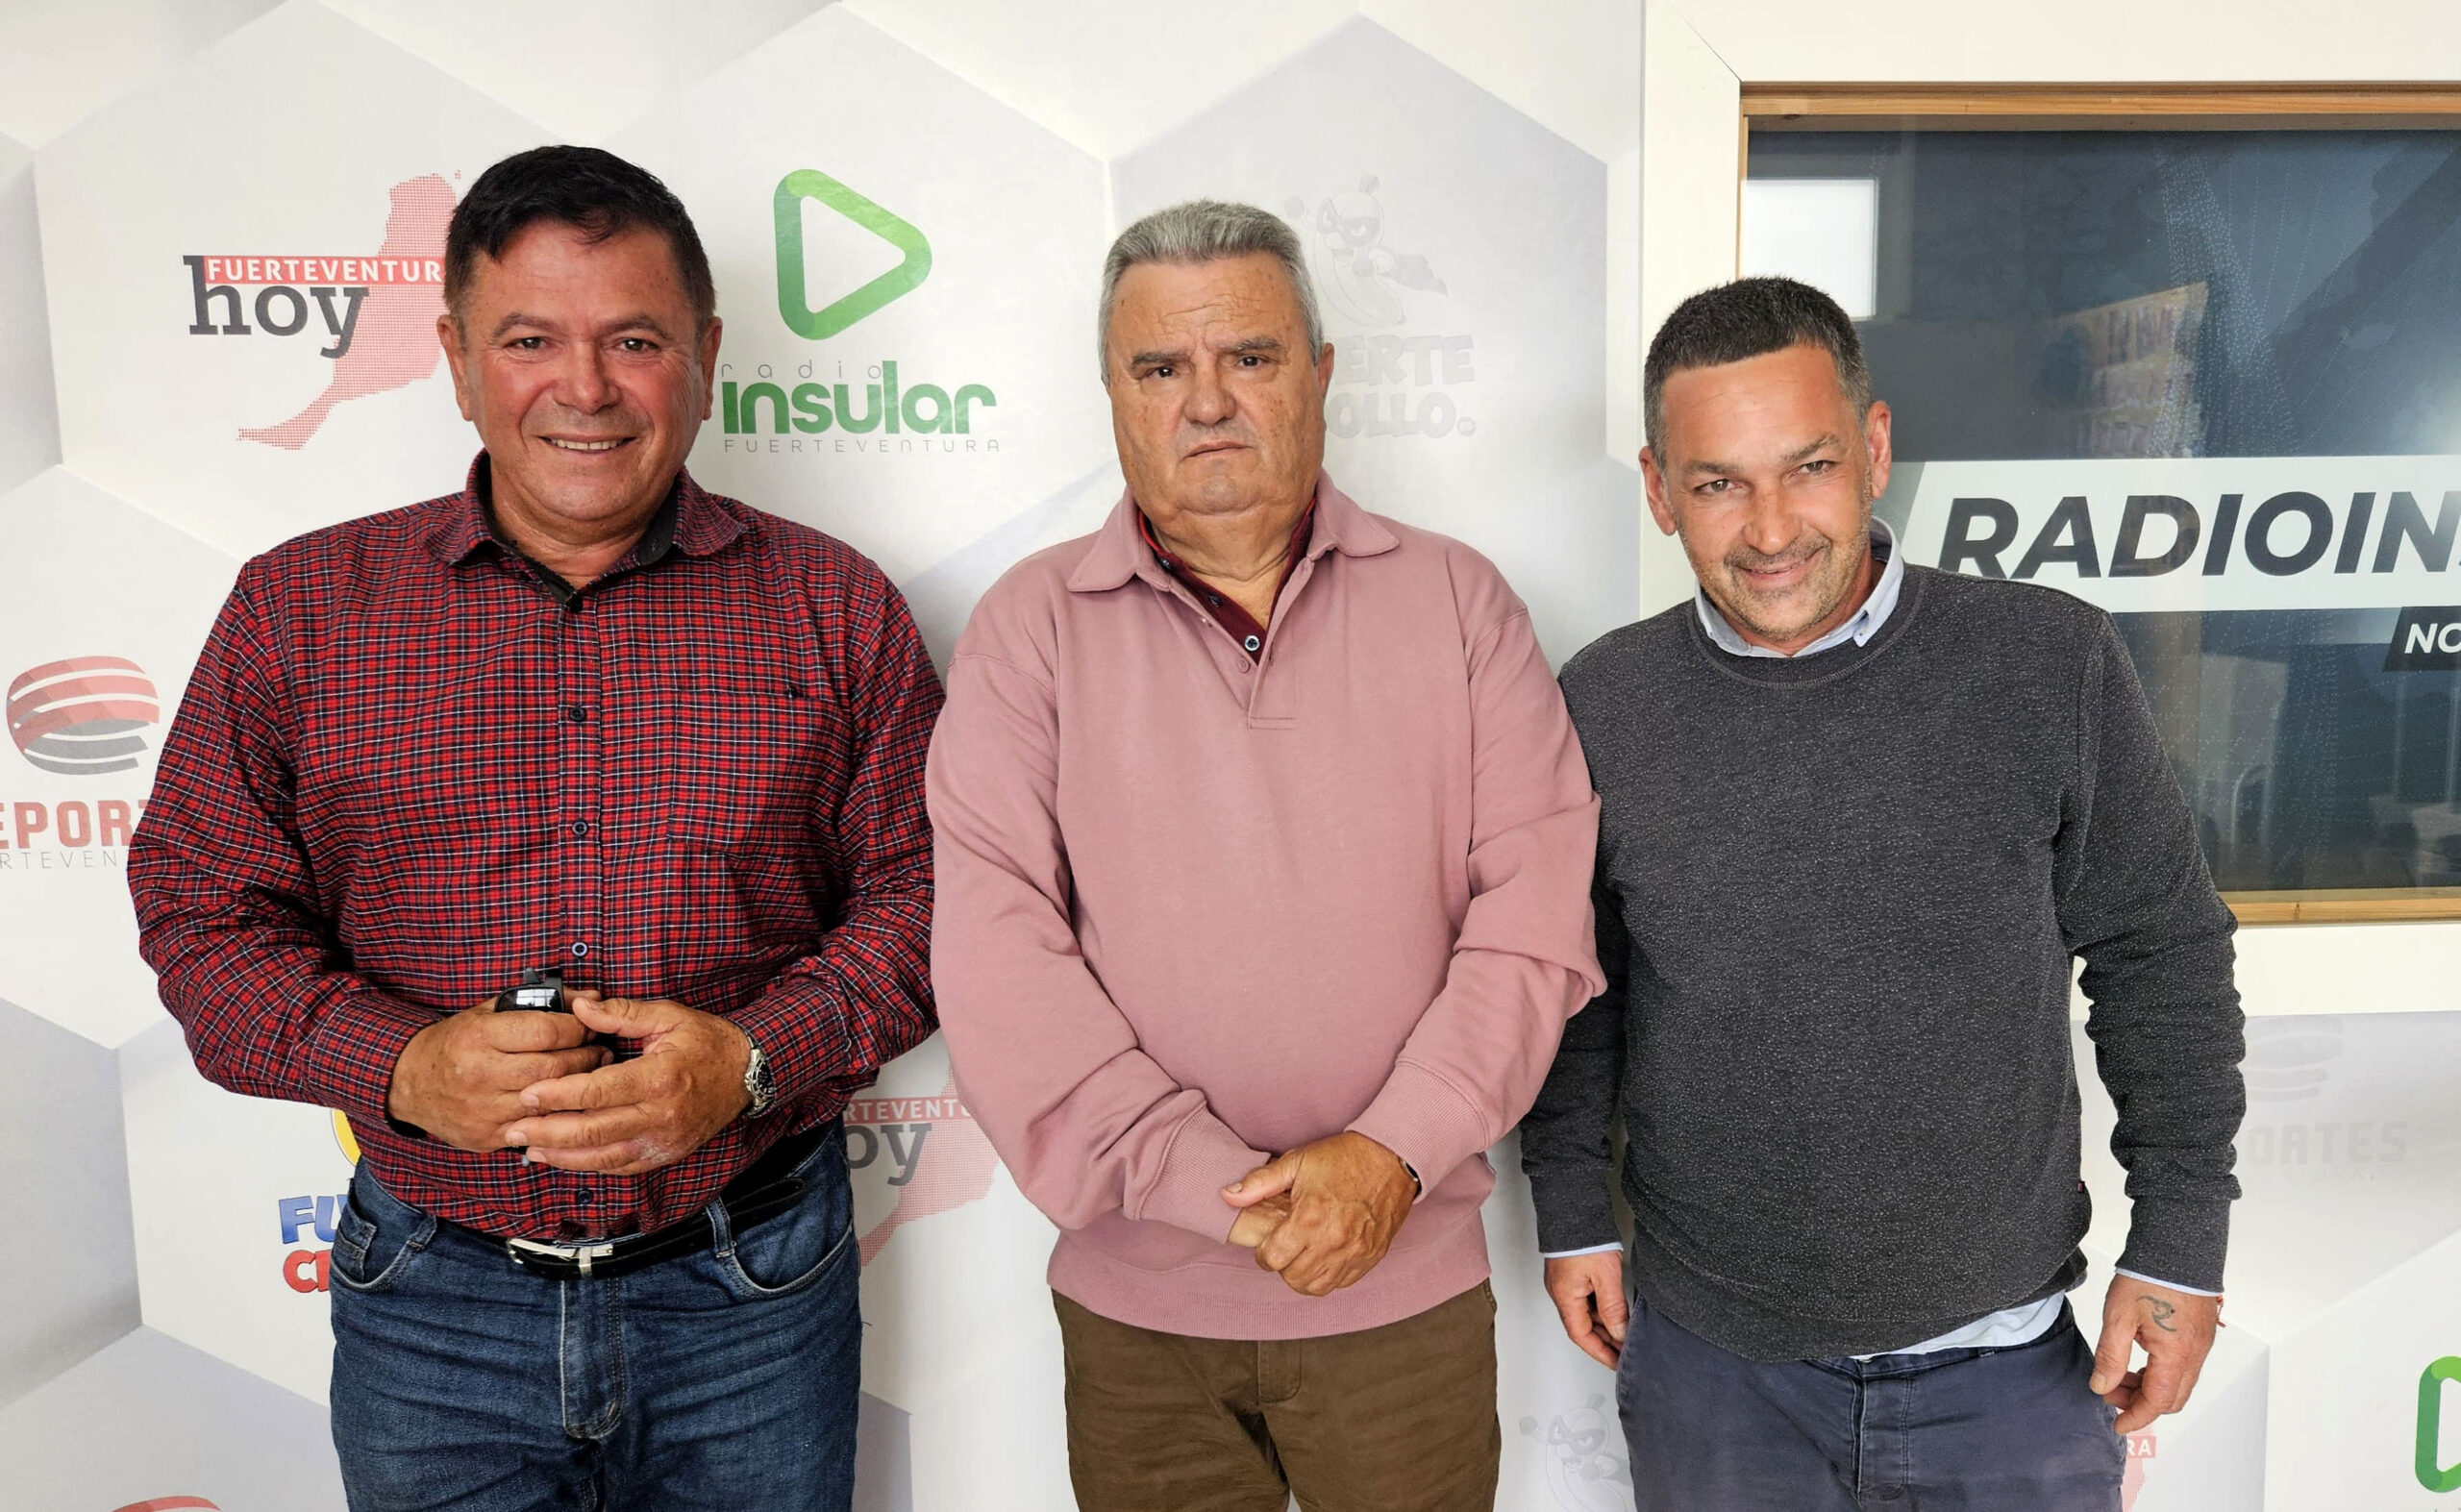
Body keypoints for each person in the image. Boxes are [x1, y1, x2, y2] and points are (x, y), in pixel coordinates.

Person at [128, 145, 941, 1512]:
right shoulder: (299, 610)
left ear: (706, 356)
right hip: (430, 1298)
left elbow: (932, 895)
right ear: (456, 360)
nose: (585, 387)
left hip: (751, 1290)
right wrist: (403, 1066)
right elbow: (202, 916)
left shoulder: (836, 606)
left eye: (634, 340)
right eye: (529, 340)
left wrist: (752, 1061)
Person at [1522, 276, 2245, 1511]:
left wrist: (2180, 1243)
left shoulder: (2046, 661)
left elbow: (2159, 953)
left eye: (1806, 467)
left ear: (1873, 449)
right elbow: (1580, 986)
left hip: (2008, 1375)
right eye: (1717, 483)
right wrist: (1572, 1207)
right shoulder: (1605, 701)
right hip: (1716, 1376)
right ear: (1657, 489)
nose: (1768, 529)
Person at [926, 200, 1603, 1512]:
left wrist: (1391, 1157)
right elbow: (1000, 964)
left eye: (1250, 357)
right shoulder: (1027, 630)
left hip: (1401, 1305)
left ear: (1322, 372)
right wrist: (1220, 1194)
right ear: (1113, 393)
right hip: (1141, 1329)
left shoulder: (1459, 602)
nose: (1206, 402)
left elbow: (1532, 923)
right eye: (1160, 367)